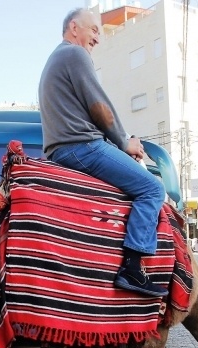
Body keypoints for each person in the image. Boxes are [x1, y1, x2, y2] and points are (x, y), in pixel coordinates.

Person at [38, 7, 167, 298]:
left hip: (65, 149)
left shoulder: (56, 59)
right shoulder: (74, 54)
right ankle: (133, 269)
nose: (97, 38)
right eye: (94, 29)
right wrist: (124, 142)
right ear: (74, 27)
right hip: (82, 147)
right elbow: (100, 107)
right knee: (152, 189)